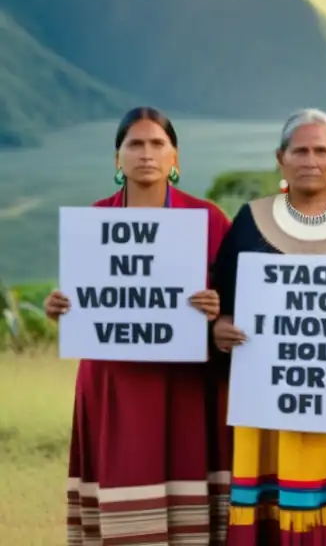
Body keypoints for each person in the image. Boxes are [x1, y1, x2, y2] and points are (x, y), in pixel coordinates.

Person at [43, 106, 232, 545]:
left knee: (188, 493)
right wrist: (60, 306)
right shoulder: (94, 219)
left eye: (157, 144)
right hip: (114, 381)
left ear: (175, 157)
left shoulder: (209, 220)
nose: (146, 153)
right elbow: (87, 296)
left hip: (185, 382)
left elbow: (234, 311)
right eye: (135, 144)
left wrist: (216, 306)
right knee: (123, 488)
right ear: (117, 159)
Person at [210, 109, 326, 546]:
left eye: (321, 150)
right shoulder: (251, 222)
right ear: (281, 158)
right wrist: (219, 328)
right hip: (269, 406)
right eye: (300, 150)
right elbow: (222, 297)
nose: (310, 160)